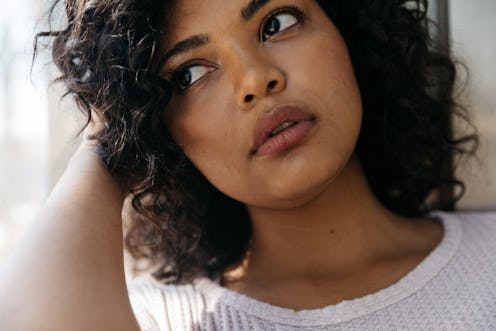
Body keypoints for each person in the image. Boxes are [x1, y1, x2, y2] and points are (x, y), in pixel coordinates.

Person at [0, 0, 495, 330]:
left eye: (276, 23)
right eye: (190, 74)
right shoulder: (158, 319)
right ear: (159, 126)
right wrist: (108, 148)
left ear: (350, 31)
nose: (255, 80)